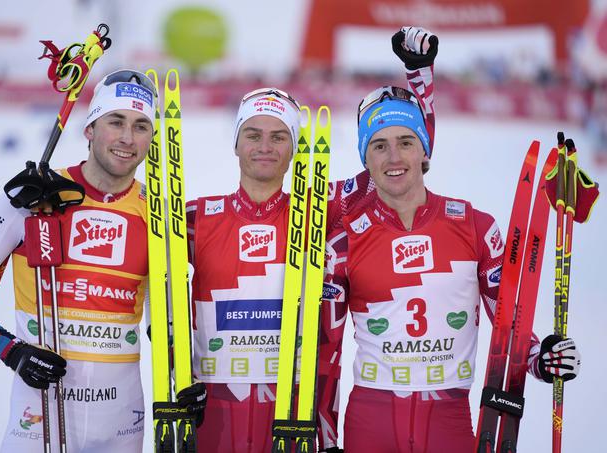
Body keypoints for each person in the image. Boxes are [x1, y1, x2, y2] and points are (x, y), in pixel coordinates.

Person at [316, 28, 582, 452]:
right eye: (379, 146)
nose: (394, 156)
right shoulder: (344, 237)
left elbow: (509, 325)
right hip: (371, 418)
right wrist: (325, 442)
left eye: (406, 142)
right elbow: (323, 355)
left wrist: (541, 357)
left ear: (425, 151)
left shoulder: (475, 227)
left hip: (449, 418)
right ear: (364, 158)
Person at [0, 69, 205, 452]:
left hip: (121, 427)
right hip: (38, 422)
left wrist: (186, 375)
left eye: (141, 126)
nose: (128, 138)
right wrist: (12, 351)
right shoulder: (36, 196)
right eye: (116, 122)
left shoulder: (158, 214)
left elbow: (163, 318)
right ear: (90, 129)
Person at [185, 87, 302, 452]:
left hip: (288, 408)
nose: (265, 146)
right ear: (236, 145)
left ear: (293, 148)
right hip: (212, 408)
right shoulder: (195, 219)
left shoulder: (318, 216)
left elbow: (392, 171)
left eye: (278, 136)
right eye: (253, 135)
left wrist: (419, 79)